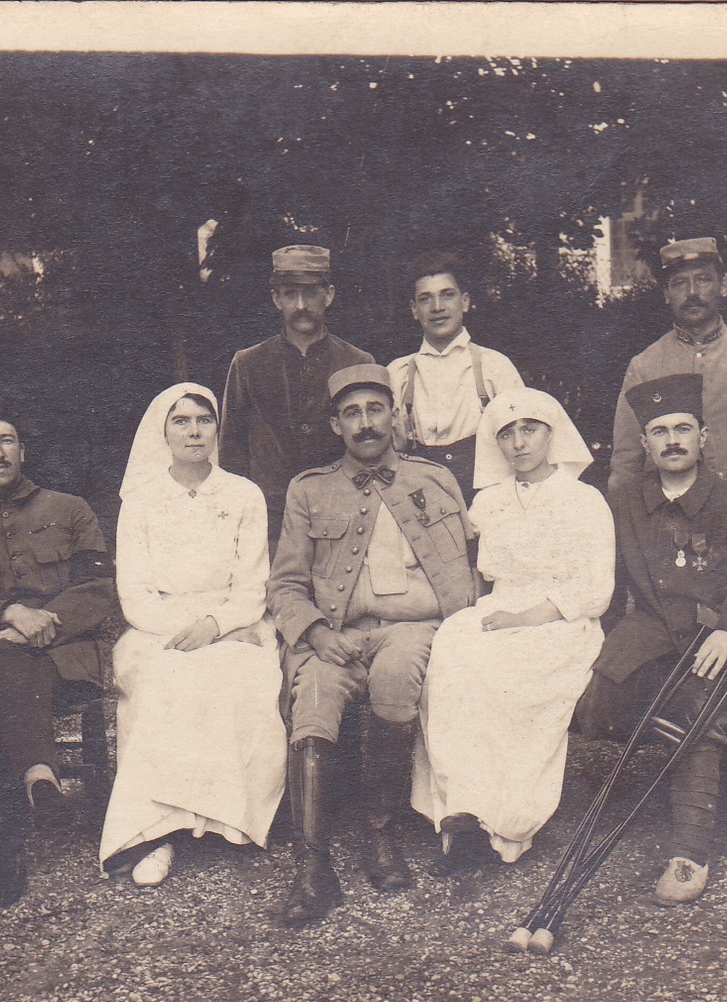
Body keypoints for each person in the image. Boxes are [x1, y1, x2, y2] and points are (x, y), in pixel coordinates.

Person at [267, 363, 476, 925]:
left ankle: (379, 836)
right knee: (311, 695)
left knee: (398, 672)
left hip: (414, 630)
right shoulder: (309, 490)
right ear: (336, 425)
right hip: (335, 636)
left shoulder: (433, 480)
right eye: (352, 414)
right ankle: (312, 867)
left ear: (395, 416)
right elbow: (285, 582)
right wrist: (313, 632)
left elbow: (475, 566)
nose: (365, 424)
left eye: (375, 410)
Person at [579, 373, 727, 904]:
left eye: (683, 429)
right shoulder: (624, 500)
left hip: (721, 635)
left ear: (703, 437)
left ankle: (689, 852)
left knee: (697, 708)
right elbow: (610, 582)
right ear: (644, 443)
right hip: (649, 633)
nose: (672, 440)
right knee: (598, 701)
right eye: (660, 431)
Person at [412, 388, 614, 872]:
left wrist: (525, 618)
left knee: (508, 680)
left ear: (552, 432)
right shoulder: (488, 503)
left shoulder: (585, 500)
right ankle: (460, 814)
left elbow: (596, 592)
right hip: (498, 610)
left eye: (530, 429)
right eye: (506, 434)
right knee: (452, 658)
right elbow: (465, 567)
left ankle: (508, 822)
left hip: (562, 620)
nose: (519, 443)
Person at [0, 409, 118, 909]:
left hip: (67, 658)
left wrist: (40, 624)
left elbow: (99, 590)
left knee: (4, 682)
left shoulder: (71, 510)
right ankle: (38, 778)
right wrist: (8, 613)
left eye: (6, 441)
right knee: (3, 668)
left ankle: (8, 847)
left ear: (22, 451)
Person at [97, 383, 287, 887]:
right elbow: (134, 593)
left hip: (232, 623)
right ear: (163, 432)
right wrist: (185, 630)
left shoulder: (243, 494)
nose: (194, 430)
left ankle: (226, 819)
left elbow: (254, 584)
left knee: (241, 674)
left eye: (204, 419)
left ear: (216, 428)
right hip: (158, 627)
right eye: (181, 421)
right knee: (163, 680)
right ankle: (158, 830)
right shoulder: (140, 501)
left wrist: (216, 627)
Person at [608, 237, 727, 497]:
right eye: (679, 283)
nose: (692, 293)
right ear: (666, 294)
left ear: (722, 286)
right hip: (670, 517)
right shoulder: (644, 365)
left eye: (703, 279)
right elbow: (626, 460)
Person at [220, 245, 375, 548]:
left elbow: (370, 446)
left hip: (342, 515)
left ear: (328, 295)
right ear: (276, 299)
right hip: (269, 522)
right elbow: (231, 454)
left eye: (311, 293)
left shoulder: (358, 362)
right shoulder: (248, 363)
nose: (301, 305)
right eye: (290, 294)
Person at [386, 251, 525, 502]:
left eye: (447, 295)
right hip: (421, 502)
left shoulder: (494, 367)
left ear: (465, 302)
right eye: (425, 298)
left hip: (489, 501)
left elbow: (523, 443)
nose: (437, 307)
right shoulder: (398, 373)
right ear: (414, 310)